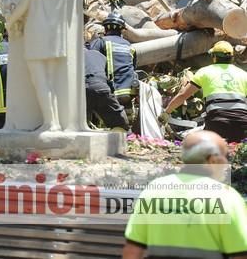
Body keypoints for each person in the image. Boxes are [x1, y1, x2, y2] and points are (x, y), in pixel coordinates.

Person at [5, 0, 94, 131]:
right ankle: (53, 121)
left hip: (37, 31)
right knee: (51, 80)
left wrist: (9, 21)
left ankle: (51, 122)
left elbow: (24, 5)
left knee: (40, 80)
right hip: (57, 33)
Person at [122, 130, 247, 259]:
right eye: (226, 156)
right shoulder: (228, 198)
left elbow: (132, 251)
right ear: (213, 160)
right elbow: (240, 255)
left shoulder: (154, 190)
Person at [163, 41, 247, 143]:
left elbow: (183, 95)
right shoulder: (243, 74)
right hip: (242, 125)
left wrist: (166, 113)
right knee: (237, 154)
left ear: (214, 57)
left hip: (216, 123)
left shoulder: (204, 72)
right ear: (232, 57)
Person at [89, 12, 137, 108]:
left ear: (105, 28)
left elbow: (90, 63)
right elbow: (133, 67)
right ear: (122, 30)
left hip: (111, 92)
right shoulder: (129, 46)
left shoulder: (101, 42)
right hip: (129, 93)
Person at [84, 46, 129, 131]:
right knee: (119, 123)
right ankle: (128, 139)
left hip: (81, 89)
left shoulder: (73, 56)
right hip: (101, 88)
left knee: (79, 125)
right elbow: (109, 79)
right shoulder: (100, 55)